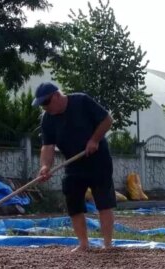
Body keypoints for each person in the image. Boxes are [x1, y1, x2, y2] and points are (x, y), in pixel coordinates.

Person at [34, 82, 116, 252]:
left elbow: (107, 120)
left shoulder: (82, 102)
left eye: (46, 103)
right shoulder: (47, 119)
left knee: (103, 201)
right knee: (73, 202)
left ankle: (107, 244)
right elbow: (48, 146)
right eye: (42, 105)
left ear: (57, 96)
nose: (45, 107)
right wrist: (44, 167)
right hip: (73, 163)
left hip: (98, 160)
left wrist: (94, 140)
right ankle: (84, 244)